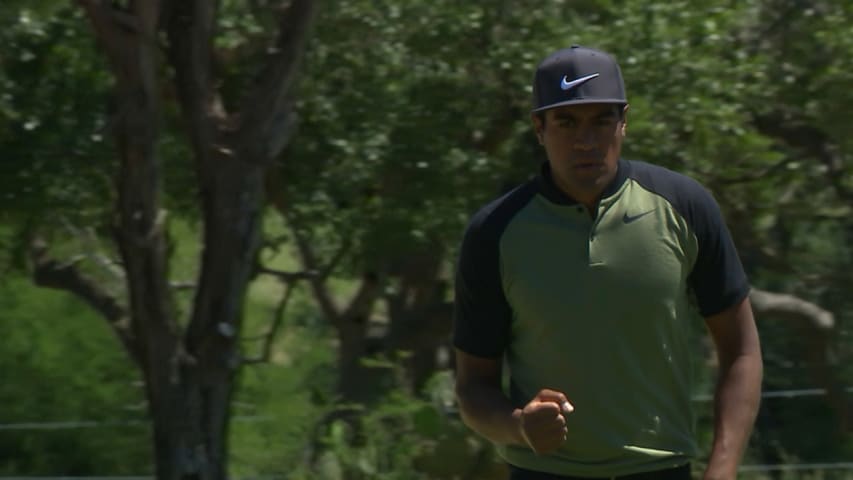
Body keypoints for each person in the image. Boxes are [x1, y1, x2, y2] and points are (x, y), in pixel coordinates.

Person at [452, 45, 763, 480]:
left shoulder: (684, 207)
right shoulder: (494, 233)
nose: (586, 141)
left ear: (624, 122)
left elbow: (742, 351)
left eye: (602, 120)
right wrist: (519, 426)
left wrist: (723, 470)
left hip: (662, 469)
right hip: (544, 473)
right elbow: (472, 388)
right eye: (566, 122)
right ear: (538, 127)